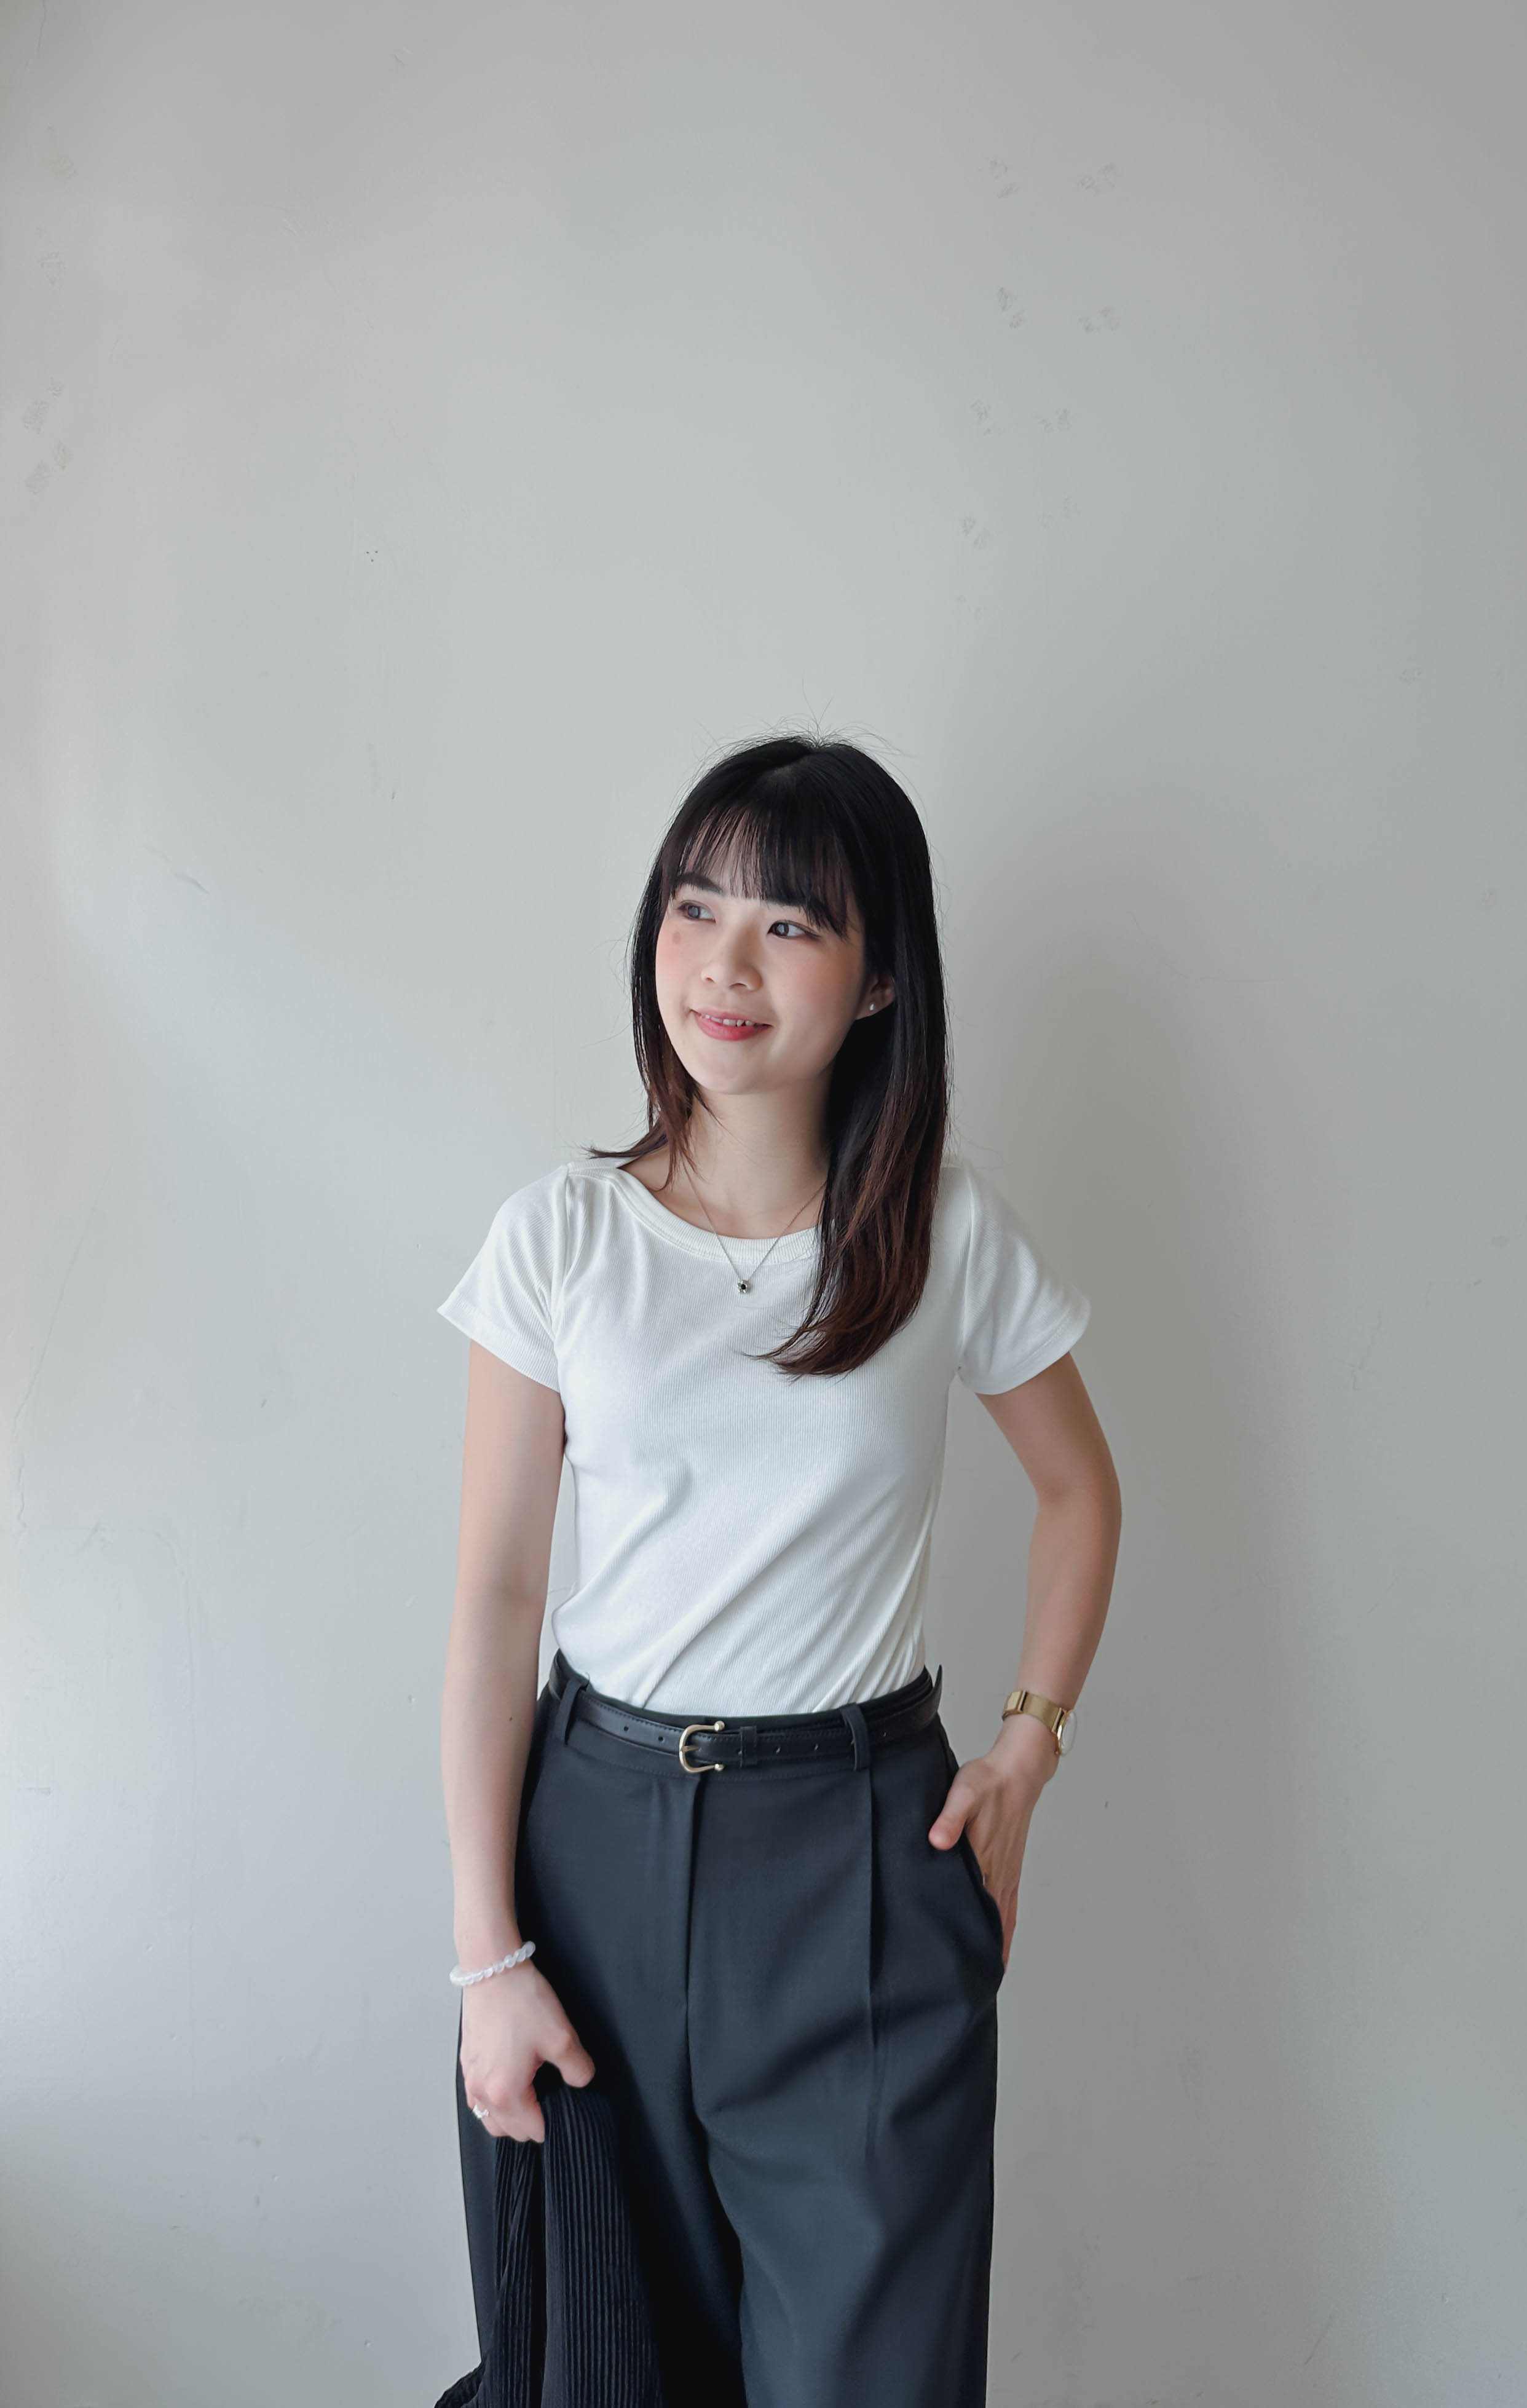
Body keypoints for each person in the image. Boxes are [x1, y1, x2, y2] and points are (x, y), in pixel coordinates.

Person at [434, 733, 1122, 2408]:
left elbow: (1081, 1493)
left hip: (860, 1864)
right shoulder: (560, 1237)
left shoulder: (943, 1230)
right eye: (695, 908)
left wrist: (1024, 1752)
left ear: (880, 981)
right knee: (607, 2366)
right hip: (589, 1860)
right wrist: (486, 1955)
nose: (724, 964)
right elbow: (497, 1604)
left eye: (790, 924)